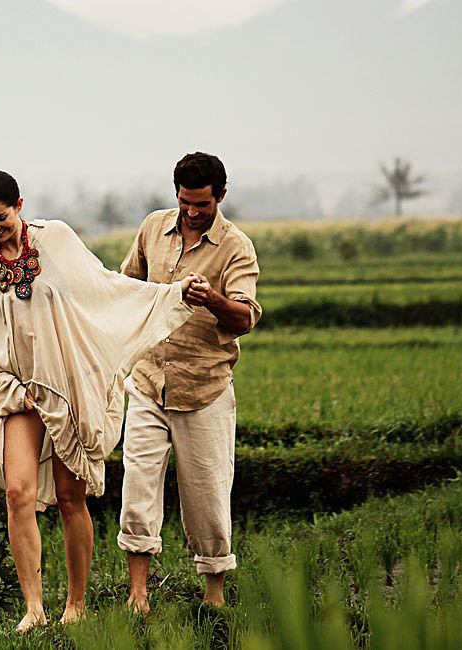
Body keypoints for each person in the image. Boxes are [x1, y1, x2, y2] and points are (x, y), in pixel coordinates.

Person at [0, 170, 196, 631]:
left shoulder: (58, 240)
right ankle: (34, 609)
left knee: (72, 497)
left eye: (1, 218)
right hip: (19, 391)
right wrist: (14, 388)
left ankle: (75, 606)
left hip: (68, 386)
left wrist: (169, 295)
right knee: (17, 494)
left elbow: (105, 290)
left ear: (20, 205)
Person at [116, 152, 262, 612]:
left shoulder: (236, 247)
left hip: (204, 389)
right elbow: (126, 289)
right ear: (176, 194)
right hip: (147, 381)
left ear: (220, 196)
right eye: (185, 202)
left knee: (207, 492)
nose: (193, 212)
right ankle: (138, 595)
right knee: (137, 484)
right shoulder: (152, 230)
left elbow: (246, 317)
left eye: (202, 204)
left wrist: (212, 299)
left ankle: (214, 593)